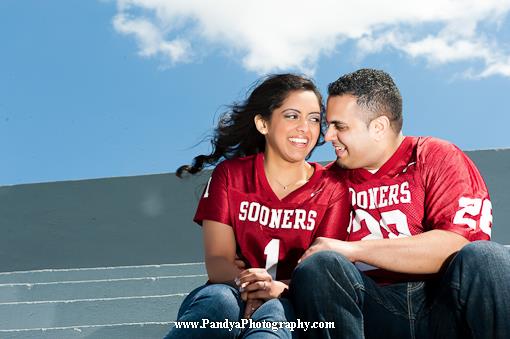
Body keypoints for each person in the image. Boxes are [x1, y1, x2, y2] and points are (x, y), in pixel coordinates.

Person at [290, 68, 510, 338]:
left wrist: (353, 249)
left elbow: (458, 244)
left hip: (440, 306)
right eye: (328, 125)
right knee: (320, 265)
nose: (327, 137)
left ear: (379, 127)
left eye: (340, 126)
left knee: (487, 257)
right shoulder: (324, 182)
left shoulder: (435, 156)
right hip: (368, 309)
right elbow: (305, 258)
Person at [165, 74, 350, 339]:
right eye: (292, 116)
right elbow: (218, 261)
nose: (305, 128)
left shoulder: (332, 188)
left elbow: (323, 271)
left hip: (292, 300)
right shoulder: (230, 175)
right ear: (263, 123)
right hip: (230, 289)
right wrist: (250, 285)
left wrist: (276, 289)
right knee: (218, 302)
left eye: (313, 119)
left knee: (275, 317)